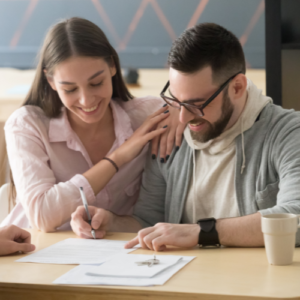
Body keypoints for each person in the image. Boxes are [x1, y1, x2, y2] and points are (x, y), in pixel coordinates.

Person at [71, 22, 300, 249]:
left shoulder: (288, 133)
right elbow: (150, 221)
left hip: (255, 282)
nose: (182, 119)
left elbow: (296, 215)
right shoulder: (171, 136)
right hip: (184, 281)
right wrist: (112, 222)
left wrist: (201, 232)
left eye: (196, 104)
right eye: (175, 101)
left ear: (237, 87)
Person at [1, 17, 183, 232]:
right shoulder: (27, 125)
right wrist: (118, 158)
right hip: (34, 252)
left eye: (96, 83)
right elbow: (42, 216)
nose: (86, 100)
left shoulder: (149, 117)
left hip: (118, 254)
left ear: (113, 67)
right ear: (50, 81)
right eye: (70, 89)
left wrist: (179, 108)